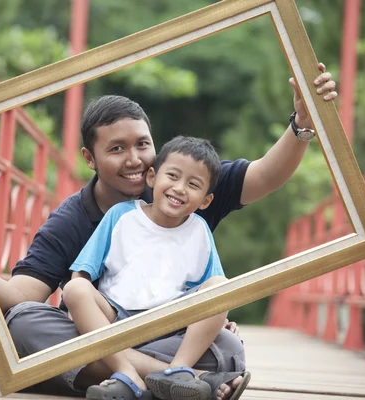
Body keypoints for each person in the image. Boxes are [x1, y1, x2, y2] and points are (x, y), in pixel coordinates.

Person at [0, 63, 337, 400]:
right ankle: (181, 384)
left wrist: (302, 123)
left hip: (167, 335)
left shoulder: (180, 186)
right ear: (89, 158)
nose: (133, 159)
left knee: (227, 346)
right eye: (116, 149)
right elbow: (21, 297)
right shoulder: (73, 218)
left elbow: (264, 175)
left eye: (142, 144)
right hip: (106, 327)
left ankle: (130, 378)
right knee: (22, 324)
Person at [63, 136, 250, 400]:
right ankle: (126, 373)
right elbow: (82, 272)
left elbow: (212, 290)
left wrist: (223, 317)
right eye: (172, 176)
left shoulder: (199, 231)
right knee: (75, 289)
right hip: (115, 317)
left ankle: (176, 374)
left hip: (170, 322)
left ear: (206, 200)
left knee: (223, 294)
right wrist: (81, 312)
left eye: (193, 184)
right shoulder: (121, 215)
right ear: (152, 177)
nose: (179, 188)